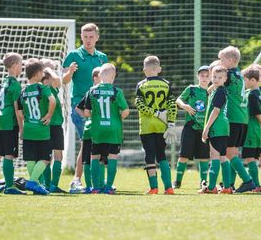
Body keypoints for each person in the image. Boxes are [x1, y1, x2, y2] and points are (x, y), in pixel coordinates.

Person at [63, 23, 108, 192]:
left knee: (99, 142)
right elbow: (64, 81)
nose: (88, 40)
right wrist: (70, 72)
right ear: (81, 37)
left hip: (98, 107)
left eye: (91, 37)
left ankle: (98, 180)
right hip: (80, 106)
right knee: (87, 143)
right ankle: (76, 179)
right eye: (85, 37)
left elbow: (107, 81)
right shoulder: (74, 55)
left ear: (97, 38)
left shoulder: (102, 57)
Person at [135, 55, 179, 194]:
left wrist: (155, 113)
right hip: (162, 126)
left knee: (149, 156)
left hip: (147, 126)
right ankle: (169, 187)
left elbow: (139, 104)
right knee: (161, 155)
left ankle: (153, 188)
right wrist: (171, 123)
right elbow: (172, 105)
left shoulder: (141, 85)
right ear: (159, 69)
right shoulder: (166, 84)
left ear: (144, 70)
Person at [83, 63, 129, 194]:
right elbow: (125, 111)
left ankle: (96, 187)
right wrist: (119, 118)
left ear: (100, 75)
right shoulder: (117, 91)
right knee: (112, 157)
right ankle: (108, 187)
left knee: (95, 157)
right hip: (113, 129)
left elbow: (86, 112)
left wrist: (96, 116)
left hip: (97, 130)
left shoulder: (91, 91)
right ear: (113, 76)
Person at [218, 46, 256, 193]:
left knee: (228, 153)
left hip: (233, 118)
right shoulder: (240, 75)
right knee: (232, 153)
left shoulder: (229, 75)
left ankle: (248, 181)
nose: (220, 63)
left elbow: (216, 79)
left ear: (230, 61)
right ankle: (230, 184)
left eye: (221, 60)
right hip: (242, 119)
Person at [18, 58, 56, 195]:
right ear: (38, 74)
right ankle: (33, 181)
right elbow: (52, 100)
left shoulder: (23, 91)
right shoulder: (42, 88)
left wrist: (24, 125)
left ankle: (36, 185)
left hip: (28, 129)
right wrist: (49, 115)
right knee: (46, 158)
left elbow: (19, 112)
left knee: (31, 158)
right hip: (41, 129)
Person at [0, 52, 25, 195]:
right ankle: (10, 186)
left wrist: (4, 101)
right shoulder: (15, 84)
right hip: (10, 123)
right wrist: (22, 128)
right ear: (15, 65)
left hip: (1, 122)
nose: (22, 67)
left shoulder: (4, 82)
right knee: (9, 155)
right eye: (21, 64)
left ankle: (8, 184)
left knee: (4, 155)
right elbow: (17, 109)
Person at [173, 65, 210, 189]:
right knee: (184, 155)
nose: (204, 78)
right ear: (198, 76)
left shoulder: (211, 92)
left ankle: (203, 182)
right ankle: (177, 182)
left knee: (204, 157)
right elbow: (178, 100)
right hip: (190, 127)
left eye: (207, 76)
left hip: (204, 129)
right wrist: (185, 106)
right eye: (202, 75)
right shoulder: (192, 89)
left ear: (210, 78)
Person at [72, 67, 102, 194]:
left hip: (101, 129)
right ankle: (89, 184)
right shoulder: (91, 92)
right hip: (91, 129)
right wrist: (88, 117)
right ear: (95, 78)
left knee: (100, 157)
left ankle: (99, 183)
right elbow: (78, 108)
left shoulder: (105, 92)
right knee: (87, 156)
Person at [200, 66, 230, 194]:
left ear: (225, 79)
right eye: (214, 77)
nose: (216, 80)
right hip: (224, 128)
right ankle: (227, 187)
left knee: (215, 157)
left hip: (216, 127)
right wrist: (213, 84)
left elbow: (216, 111)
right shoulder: (219, 90)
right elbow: (208, 90)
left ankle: (211, 187)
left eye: (220, 77)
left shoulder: (219, 92)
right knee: (223, 157)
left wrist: (206, 128)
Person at [41, 59, 67, 193]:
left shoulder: (44, 87)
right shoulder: (47, 87)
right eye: (52, 70)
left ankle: (51, 185)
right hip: (51, 124)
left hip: (50, 125)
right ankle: (49, 185)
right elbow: (58, 80)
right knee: (51, 156)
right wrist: (49, 69)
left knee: (53, 156)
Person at [242, 65, 261, 192]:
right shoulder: (258, 93)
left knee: (249, 158)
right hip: (256, 130)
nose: (244, 83)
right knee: (252, 158)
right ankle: (255, 183)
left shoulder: (252, 94)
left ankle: (256, 185)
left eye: (245, 80)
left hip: (251, 130)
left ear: (253, 80)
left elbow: (258, 115)